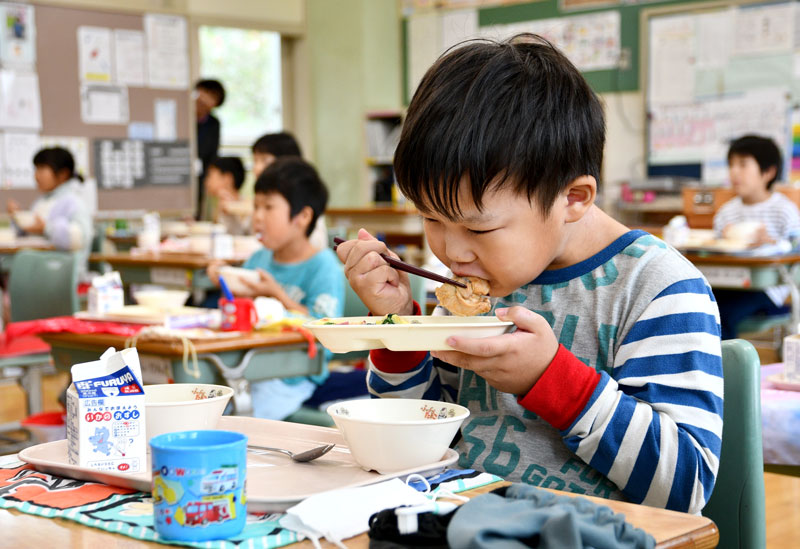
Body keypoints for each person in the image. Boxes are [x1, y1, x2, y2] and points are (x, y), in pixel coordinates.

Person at [335, 34, 723, 514]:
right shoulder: (473, 281)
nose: (453, 251)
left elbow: (683, 487)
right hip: (457, 522)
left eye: (480, 227)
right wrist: (398, 326)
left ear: (573, 199)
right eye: (432, 218)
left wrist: (551, 379)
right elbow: (423, 432)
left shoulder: (657, 287)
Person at [208, 157, 344, 420]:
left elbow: (328, 331)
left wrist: (275, 295)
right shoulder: (260, 259)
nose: (257, 217)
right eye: (255, 206)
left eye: (268, 207)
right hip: (247, 370)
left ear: (302, 216)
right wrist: (226, 284)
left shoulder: (322, 265)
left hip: (293, 377)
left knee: (240, 421)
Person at [712, 134, 800, 339]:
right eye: (731, 165)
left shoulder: (783, 210)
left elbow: (796, 246)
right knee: (698, 304)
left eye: (743, 164)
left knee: (723, 314)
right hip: (728, 283)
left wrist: (773, 243)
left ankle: (728, 368)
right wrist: (722, 242)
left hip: (768, 290)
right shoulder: (726, 212)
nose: (734, 172)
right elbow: (714, 247)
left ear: (768, 172)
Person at [6, 147, 92, 271]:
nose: (36, 176)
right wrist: (17, 217)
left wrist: (46, 227)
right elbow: (28, 234)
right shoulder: (41, 201)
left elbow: (79, 239)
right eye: (36, 169)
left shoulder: (74, 202)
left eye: (41, 169)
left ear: (63, 174)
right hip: (39, 267)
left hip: (61, 273)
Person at [252, 132, 328, 250]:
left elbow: (315, 245)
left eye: (264, 161)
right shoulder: (260, 257)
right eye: (255, 161)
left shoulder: (304, 199)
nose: (256, 168)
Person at [195, 78, 226, 220]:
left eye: (212, 97)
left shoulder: (213, 124)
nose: (206, 99)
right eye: (204, 92)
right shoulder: (183, 116)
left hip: (201, 174)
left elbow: (212, 153)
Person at [204, 156, 250, 235]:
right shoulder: (219, 203)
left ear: (227, 178)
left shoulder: (246, 208)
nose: (206, 182)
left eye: (210, 176)